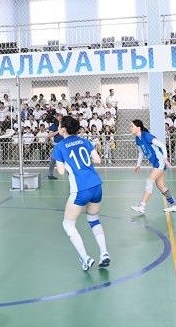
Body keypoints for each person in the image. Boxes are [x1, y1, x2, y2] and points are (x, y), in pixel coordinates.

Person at [53, 115, 110, 271]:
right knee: (93, 218)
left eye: (59, 125)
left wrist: (61, 163)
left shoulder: (59, 146)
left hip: (80, 188)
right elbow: (97, 160)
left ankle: (85, 258)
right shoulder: (85, 141)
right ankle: (104, 253)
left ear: (63, 129)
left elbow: (61, 171)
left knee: (68, 224)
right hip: (96, 185)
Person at [129, 120, 176, 214]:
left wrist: (165, 158)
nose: (130, 128)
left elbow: (162, 146)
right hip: (156, 163)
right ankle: (175, 205)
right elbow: (141, 153)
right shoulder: (137, 139)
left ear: (138, 128)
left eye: (132, 126)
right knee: (161, 185)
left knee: (149, 181)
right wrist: (138, 165)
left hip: (160, 162)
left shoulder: (147, 136)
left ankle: (142, 206)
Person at [47, 112, 63, 180]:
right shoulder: (54, 126)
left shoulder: (64, 125)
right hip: (57, 145)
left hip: (65, 145)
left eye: (61, 116)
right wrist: (58, 131)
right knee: (53, 161)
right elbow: (49, 135)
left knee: (69, 160)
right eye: (58, 116)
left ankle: (72, 173)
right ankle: (50, 175)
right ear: (56, 117)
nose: (60, 117)